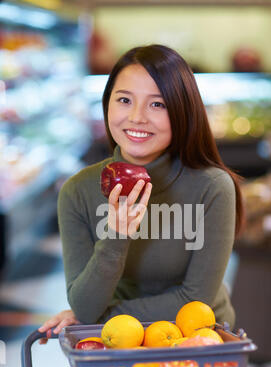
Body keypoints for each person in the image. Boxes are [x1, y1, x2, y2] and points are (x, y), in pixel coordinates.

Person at [39, 44, 245, 339]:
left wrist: (101, 317)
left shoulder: (212, 187)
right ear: (107, 102)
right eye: (124, 100)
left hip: (200, 340)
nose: (137, 117)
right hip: (122, 344)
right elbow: (84, 304)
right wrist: (117, 235)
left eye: (157, 104)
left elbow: (195, 301)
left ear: (181, 112)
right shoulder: (77, 191)